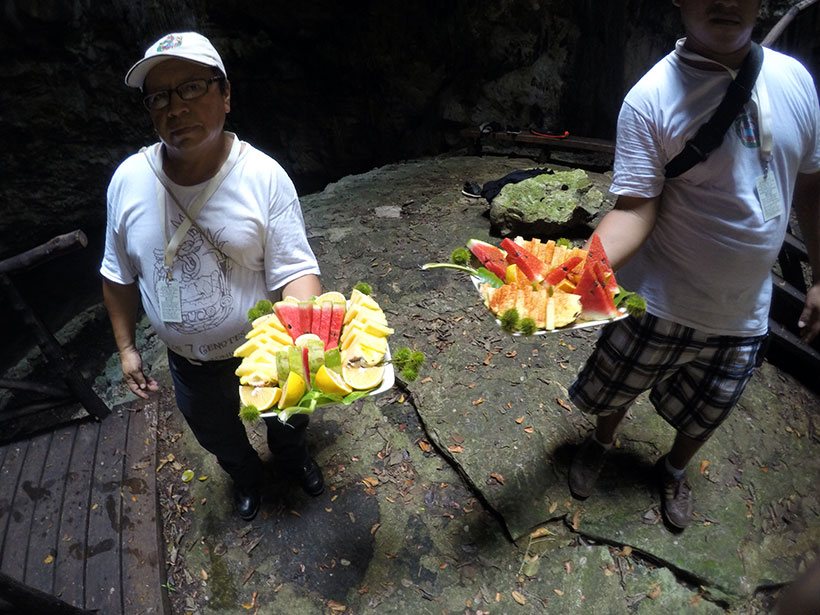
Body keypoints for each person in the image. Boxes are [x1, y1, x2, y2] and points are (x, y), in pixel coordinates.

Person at [567, 0, 820, 530]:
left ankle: (675, 469)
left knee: (709, 408)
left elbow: (812, 192)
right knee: (618, 386)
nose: (725, 2)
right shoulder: (650, 99)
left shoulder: (796, 81)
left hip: (744, 310)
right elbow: (635, 208)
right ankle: (600, 443)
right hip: (659, 299)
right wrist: (578, 267)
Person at [100, 32, 325, 522]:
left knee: (287, 415)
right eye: (158, 96)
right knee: (215, 431)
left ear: (225, 95)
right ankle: (245, 476)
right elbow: (116, 274)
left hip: (264, 347)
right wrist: (125, 347)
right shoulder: (127, 181)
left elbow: (298, 269)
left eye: (191, 88)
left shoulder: (264, 177)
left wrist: (306, 336)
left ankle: (292, 458)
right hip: (188, 362)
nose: (174, 107)